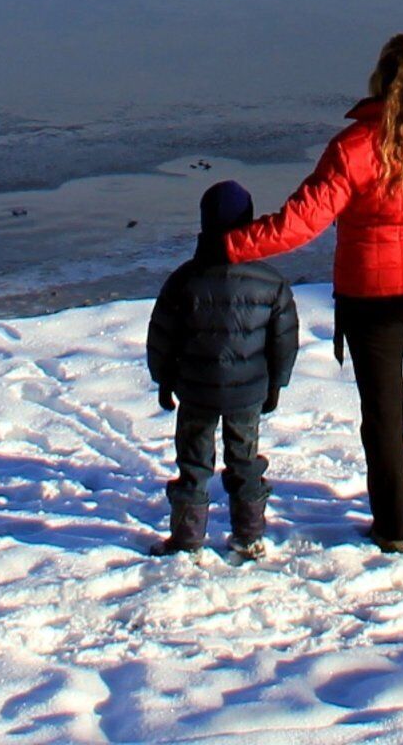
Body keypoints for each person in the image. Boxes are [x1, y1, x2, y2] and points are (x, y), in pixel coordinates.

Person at [222, 33, 403, 551]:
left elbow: (301, 222)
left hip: (373, 299)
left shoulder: (355, 149)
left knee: (383, 415)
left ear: (380, 81)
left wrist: (232, 245)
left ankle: (392, 527)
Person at [143, 178, 300, 556]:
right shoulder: (271, 282)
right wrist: (276, 384)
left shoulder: (184, 280)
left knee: (194, 465)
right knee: (245, 461)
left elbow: (162, 336)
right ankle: (248, 536)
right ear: (249, 223)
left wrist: (163, 380)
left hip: (196, 391)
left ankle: (187, 539)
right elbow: (284, 339)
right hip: (247, 391)